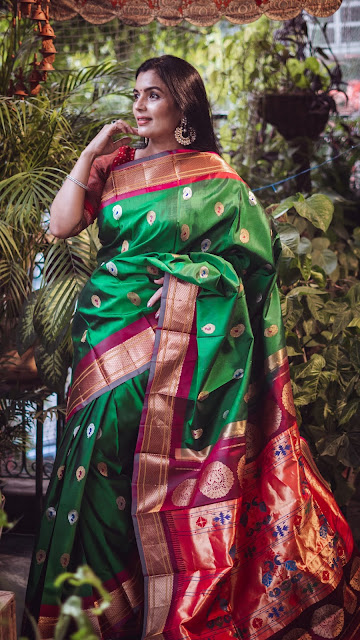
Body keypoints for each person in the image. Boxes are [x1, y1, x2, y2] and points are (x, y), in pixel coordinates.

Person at [24, 55, 360, 640]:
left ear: (183, 105)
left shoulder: (219, 181)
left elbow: (250, 268)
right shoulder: (118, 165)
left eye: (153, 95)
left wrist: (190, 279)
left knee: (138, 461)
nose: (138, 105)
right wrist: (88, 155)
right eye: (136, 94)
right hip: (103, 333)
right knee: (95, 463)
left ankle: (151, 602)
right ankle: (97, 613)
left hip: (171, 343)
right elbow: (60, 226)